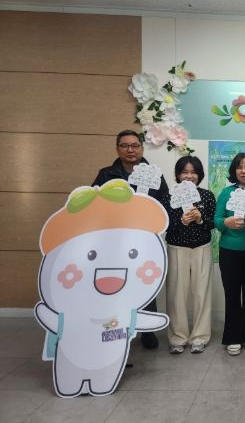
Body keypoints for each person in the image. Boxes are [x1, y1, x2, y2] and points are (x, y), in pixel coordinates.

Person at [92, 129, 169, 349]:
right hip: (113, 243)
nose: (130, 150)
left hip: (144, 241)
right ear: (117, 149)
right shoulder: (106, 174)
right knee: (114, 286)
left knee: (146, 283)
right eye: (125, 146)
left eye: (135, 145)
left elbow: (165, 204)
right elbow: (94, 204)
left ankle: (147, 332)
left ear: (142, 149)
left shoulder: (154, 174)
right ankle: (115, 330)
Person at [162, 156, 216, 354]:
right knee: (176, 295)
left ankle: (199, 337)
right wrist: (182, 222)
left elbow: (213, 223)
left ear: (199, 175)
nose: (189, 176)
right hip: (177, 249)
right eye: (185, 172)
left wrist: (200, 219)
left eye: (193, 172)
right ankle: (178, 337)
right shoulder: (169, 197)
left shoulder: (207, 196)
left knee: (202, 294)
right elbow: (165, 226)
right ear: (178, 175)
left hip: (202, 248)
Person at [214, 153, 245, 356]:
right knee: (232, 295)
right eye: (240, 167)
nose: (244, 171)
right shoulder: (227, 192)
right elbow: (217, 219)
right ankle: (233, 337)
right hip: (230, 252)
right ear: (234, 171)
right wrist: (225, 222)